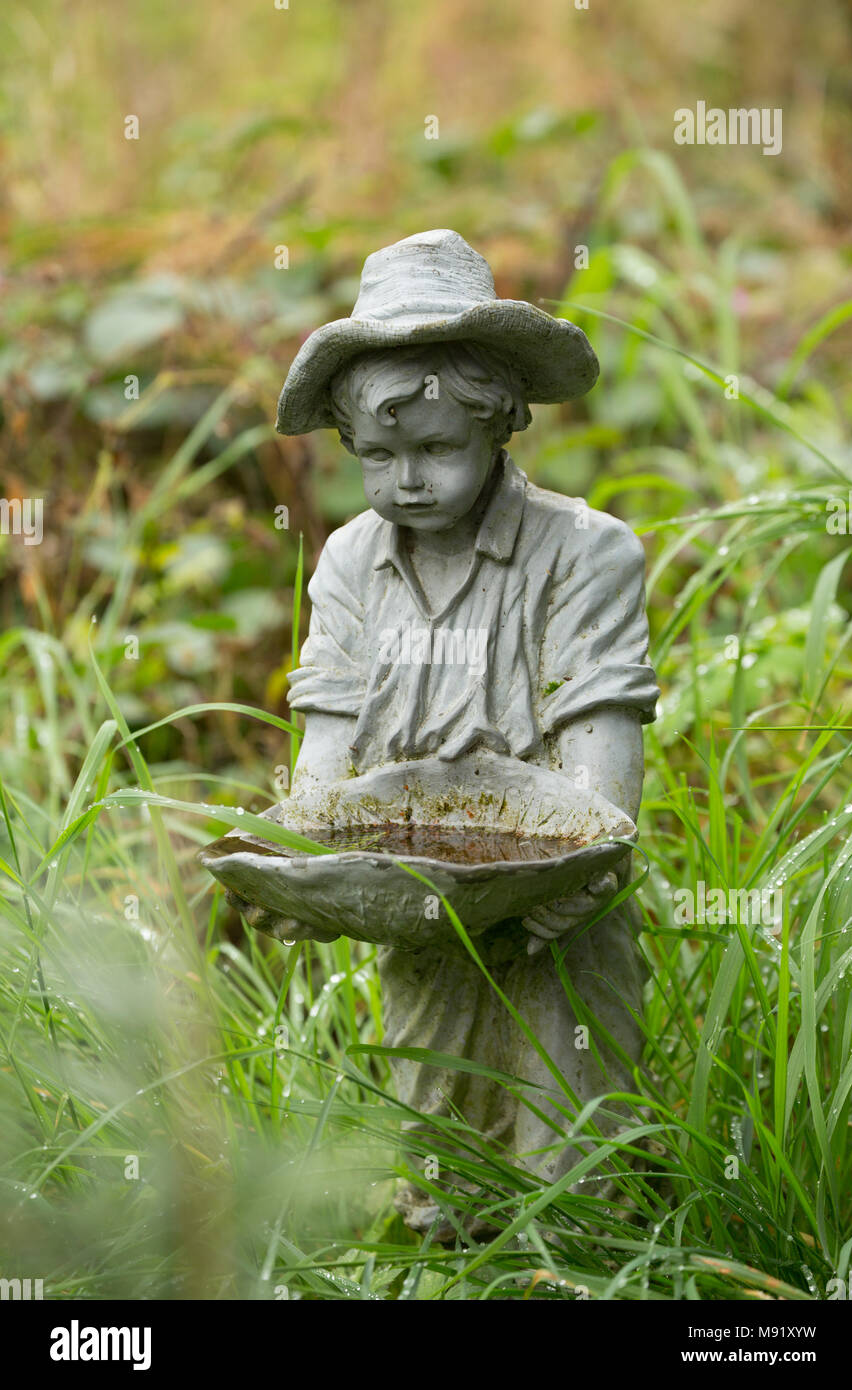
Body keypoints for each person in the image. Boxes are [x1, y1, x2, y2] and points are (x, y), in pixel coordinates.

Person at [243, 230, 659, 1235]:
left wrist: (590, 864)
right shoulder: (348, 561)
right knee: (439, 1165)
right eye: (377, 455)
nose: (406, 480)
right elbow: (329, 738)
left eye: (436, 449)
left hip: (556, 908)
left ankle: (585, 1253)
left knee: (571, 1155)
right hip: (416, 903)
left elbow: (599, 727)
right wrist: (297, 861)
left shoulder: (583, 551)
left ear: (501, 424)